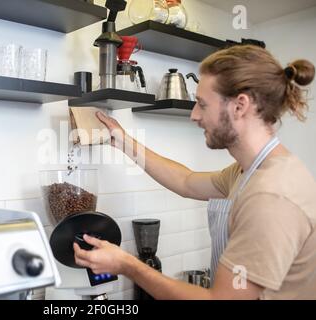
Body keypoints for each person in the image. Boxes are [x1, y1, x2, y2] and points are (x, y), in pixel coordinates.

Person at [73, 45, 316, 300]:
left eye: (202, 104)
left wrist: (128, 265)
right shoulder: (248, 171)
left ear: (239, 106)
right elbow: (186, 182)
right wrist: (123, 142)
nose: (194, 115)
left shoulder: (271, 195)